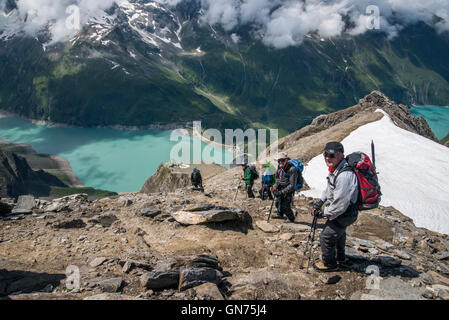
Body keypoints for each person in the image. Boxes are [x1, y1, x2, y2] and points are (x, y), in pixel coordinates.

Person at [312, 141, 359, 272]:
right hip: (343, 213)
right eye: (325, 154)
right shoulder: (336, 170)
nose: (327, 158)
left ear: (341, 156)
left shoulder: (344, 176)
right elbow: (329, 189)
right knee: (339, 233)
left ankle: (329, 264)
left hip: (344, 213)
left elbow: (340, 205)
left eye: (331, 155)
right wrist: (320, 202)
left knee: (326, 237)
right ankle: (341, 258)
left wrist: (324, 213)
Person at [271, 152, 297, 223]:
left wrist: (281, 192)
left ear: (286, 160)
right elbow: (278, 179)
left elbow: (292, 185)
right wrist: (275, 187)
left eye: (282, 160)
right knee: (277, 203)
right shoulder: (280, 168)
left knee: (285, 205)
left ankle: (291, 218)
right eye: (279, 161)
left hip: (288, 191)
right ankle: (280, 214)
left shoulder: (292, 169)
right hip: (281, 188)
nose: (280, 162)